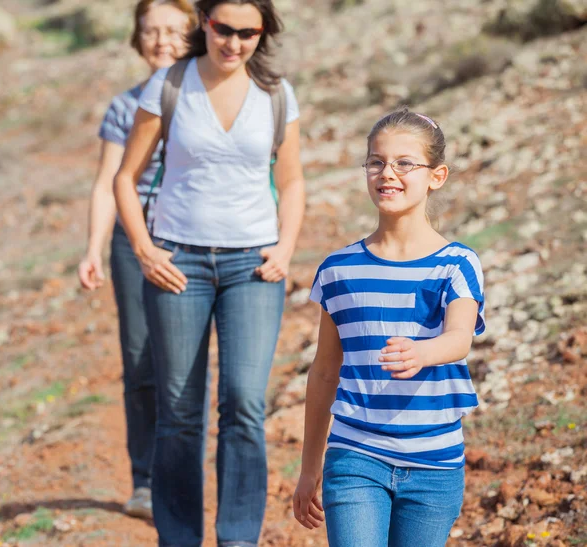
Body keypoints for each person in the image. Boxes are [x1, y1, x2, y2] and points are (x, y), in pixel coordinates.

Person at [113, 0, 305, 544]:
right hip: (180, 263)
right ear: (205, 24)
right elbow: (125, 178)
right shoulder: (170, 85)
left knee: (244, 402)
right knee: (178, 411)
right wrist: (145, 250)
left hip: (254, 266)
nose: (234, 42)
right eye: (224, 29)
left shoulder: (276, 95)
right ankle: (178, 537)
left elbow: (291, 182)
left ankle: (238, 537)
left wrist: (286, 248)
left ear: (262, 34)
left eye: (248, 32)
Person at [293, 108, 486, 547]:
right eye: (376, 162)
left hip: (435, 469)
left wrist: (423, 352)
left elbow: (460, 338)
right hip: (355, 456)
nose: (388, 173)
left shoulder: (457, 264)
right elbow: (324, 371)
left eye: (405, 163)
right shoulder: (338, 269)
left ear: (437, 176)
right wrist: (309, 470)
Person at [77, 0, 196, 520]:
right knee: (141, 359)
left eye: (174, 30)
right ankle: (146, 480)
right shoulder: (124, 107)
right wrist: (94, 248)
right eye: (151, 31)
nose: (162, 40)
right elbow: (107, 183)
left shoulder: (212, 98)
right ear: (137, 39)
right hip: (134, 240)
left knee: (187, 362)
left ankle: (186, 470)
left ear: (196, 34)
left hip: (197, 238)